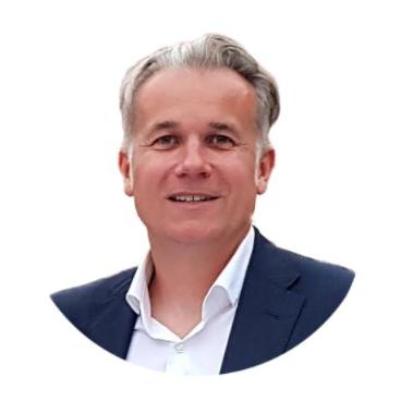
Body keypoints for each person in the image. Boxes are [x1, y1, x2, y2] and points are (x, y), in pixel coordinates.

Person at [51, 33, 355, 375]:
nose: (193, 164)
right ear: (127, 170)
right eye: (166, 140)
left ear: (262, 168)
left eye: (220, 140)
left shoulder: (341, 306)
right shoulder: (68, 322)